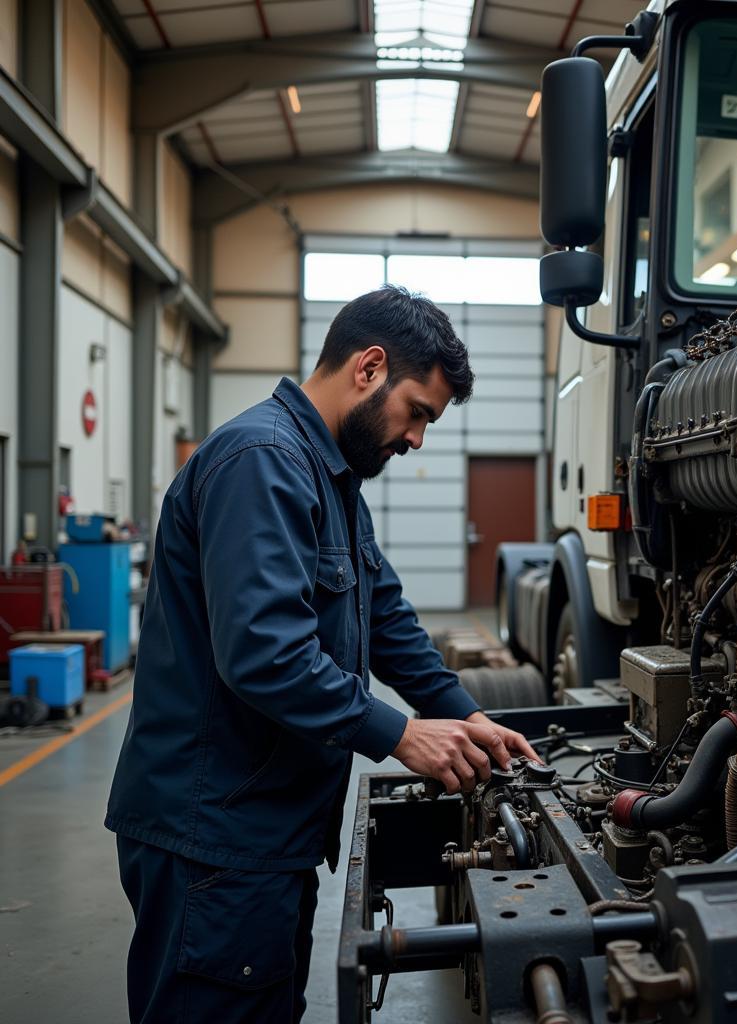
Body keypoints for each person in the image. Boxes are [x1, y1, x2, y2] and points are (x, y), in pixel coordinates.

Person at [105, 285, 540, 1023]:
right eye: (418, 414)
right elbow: (265, 654)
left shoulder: (330, 477)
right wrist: (400, 734)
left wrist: (466, 717)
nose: (416, 440)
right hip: (217, 839)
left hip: (266, 834)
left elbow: (387, 621)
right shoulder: (262, 462)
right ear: (369, 368)